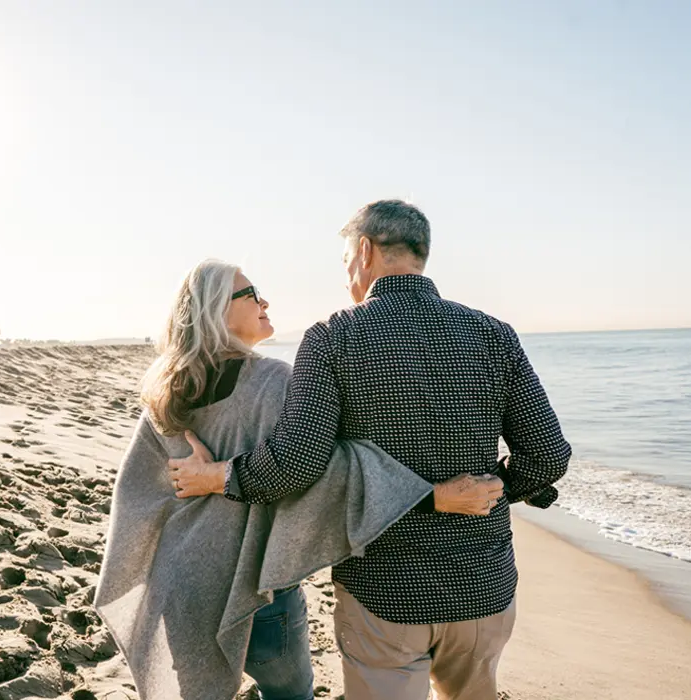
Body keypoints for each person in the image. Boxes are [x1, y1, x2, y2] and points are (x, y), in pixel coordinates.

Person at [169, 200, 572, 700]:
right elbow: (550, 456)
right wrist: (496, 490)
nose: (345, 277)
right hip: (483, 584)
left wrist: (218, 477)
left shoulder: (333, 337)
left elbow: (296, 463)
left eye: (344, 262)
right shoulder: (493, 334)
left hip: (385, 590)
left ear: (364, 252)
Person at [95, 259, 503, 700]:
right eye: (250, 294)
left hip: (181, 585)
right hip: (256, 590)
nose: (264, 301)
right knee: (290, 695)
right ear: (216, 310)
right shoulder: (273, 381)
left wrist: (198, 487)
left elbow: (136, 491)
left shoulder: (164, 387)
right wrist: (432, 495)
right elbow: (321, 471)